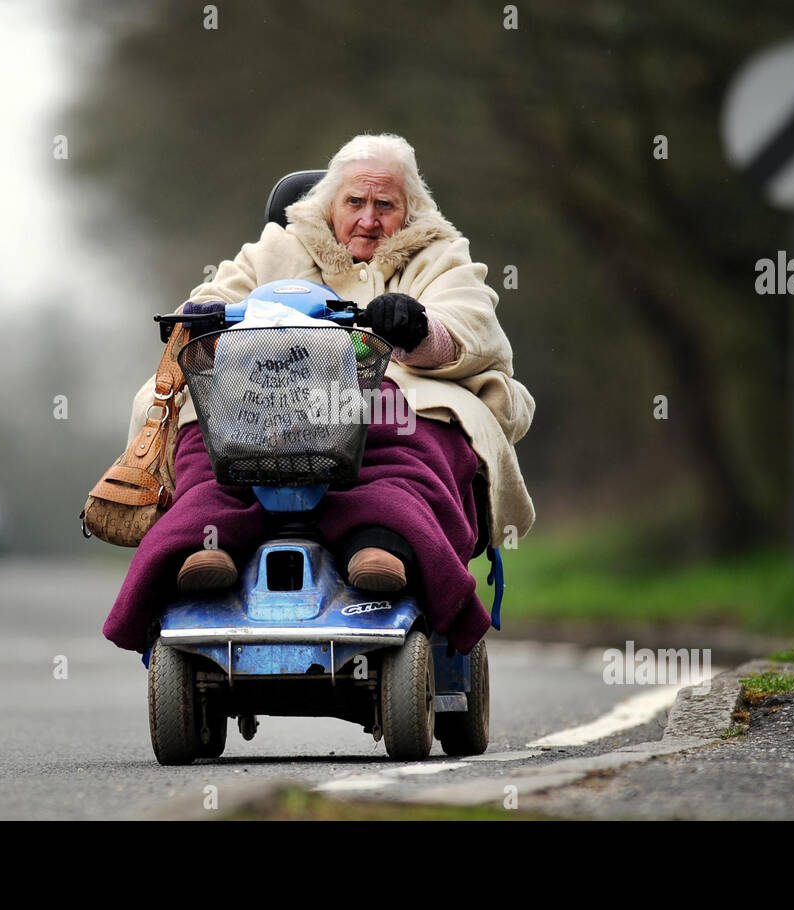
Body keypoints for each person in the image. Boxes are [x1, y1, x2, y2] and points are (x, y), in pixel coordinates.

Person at [104, 134, 535, 655]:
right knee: (204, 424)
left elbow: (473, 324)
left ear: (411, 210)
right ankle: (207, 539)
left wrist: (419, 328)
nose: (368, 220)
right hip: (270, 406)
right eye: (355, 202)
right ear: (331, 204)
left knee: (409, 430)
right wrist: (199, 317)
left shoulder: (441, 256)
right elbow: (218, 294)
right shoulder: (278, 247)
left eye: (385, 205)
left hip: (384, 401)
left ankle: (384, 538)